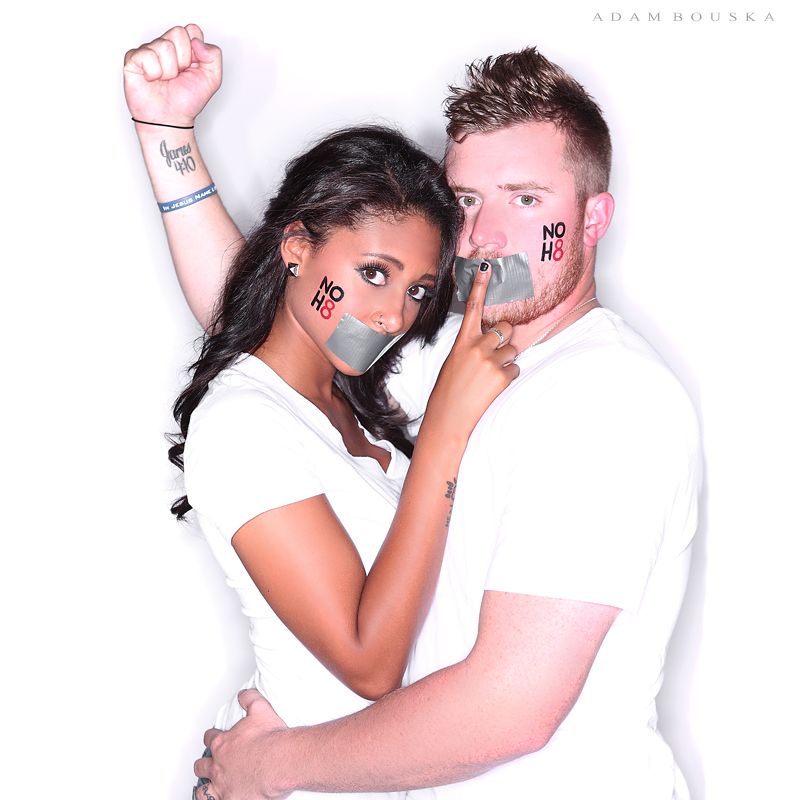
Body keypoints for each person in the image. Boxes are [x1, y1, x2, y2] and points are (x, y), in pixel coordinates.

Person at [126, 25, 702, 800]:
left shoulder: (606, 399)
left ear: (593, 218)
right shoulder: (455, 359)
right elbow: (276, 328)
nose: (486, 236)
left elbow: (510, 708)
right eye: (467, 200)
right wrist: (167, 135)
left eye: (526, 200)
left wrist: (274, 763)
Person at [124, 27, 520, 800]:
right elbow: (369, 663)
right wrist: (446, 430)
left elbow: (256, 314)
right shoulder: (241, 425)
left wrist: (167, 129)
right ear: (296, 246)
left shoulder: (350, 407)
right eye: (373, 272)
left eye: (416, 289)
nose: (392, 315)